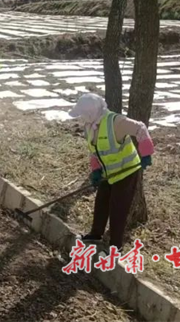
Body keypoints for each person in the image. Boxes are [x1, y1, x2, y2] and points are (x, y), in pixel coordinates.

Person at [68, 93, 154, 250]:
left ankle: (115, 246)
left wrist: (146, 152)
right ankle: (96, 235)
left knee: (118, 208)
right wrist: (96, 170)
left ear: (91, 112)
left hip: (127, 171)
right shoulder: (89, 127)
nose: (81, 117)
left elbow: (140, 128)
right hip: (108, 172)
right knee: (101, 202)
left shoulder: (116, 122)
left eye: (82, 114)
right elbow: (94, 151)